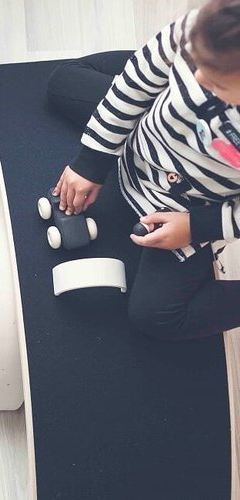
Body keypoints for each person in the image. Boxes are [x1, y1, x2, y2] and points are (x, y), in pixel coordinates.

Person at [46, 0, 240, 340]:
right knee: (62, 83)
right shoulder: (208, 25)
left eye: (214, 81)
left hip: (188, 206)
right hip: (141, 137)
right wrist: (92, 160)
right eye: (195, 62)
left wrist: (196, 226)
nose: (196, 78)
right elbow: (134, 84)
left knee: (155, 318)